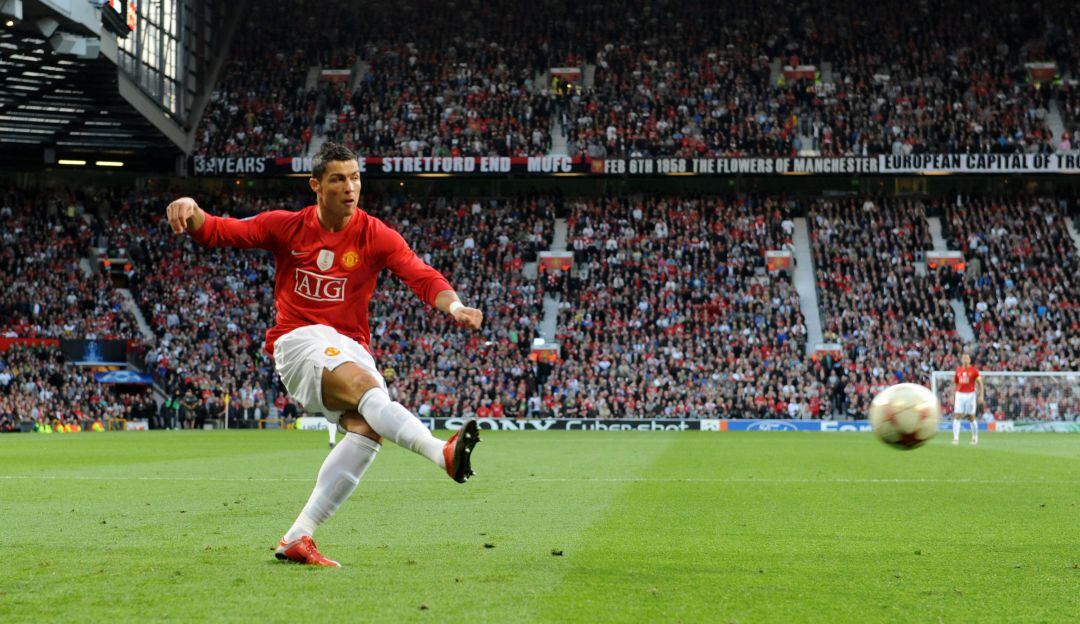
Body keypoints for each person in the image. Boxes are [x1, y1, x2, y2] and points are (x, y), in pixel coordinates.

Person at [165, 142, 484, 566]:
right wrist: (191, 207)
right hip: (297, 339)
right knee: (369, 390)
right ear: (316, 185)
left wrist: (456, 306)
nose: (350, 187)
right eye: (338, 179)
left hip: (350, 345)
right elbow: (222, 230)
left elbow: (421, 275)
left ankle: (299, 535)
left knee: (367, 430)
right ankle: (439, 452)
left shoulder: (376, 235)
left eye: (355, 178)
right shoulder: (286, 226)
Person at [951, 353, 984, 446]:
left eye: (967, 358)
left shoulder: (974, 371)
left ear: (969, 360)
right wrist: (953, 395)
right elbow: (956, 383)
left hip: (970, 395)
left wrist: (981, 395)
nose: (965, 360)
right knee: (957, 415)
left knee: (971, 417)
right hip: (959, 395)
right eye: (964, 358)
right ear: (961, 360)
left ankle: (974, 437)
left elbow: (980, 384)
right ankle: (956, 438)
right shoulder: (958, 370)